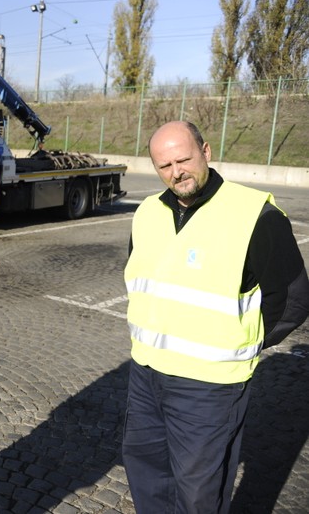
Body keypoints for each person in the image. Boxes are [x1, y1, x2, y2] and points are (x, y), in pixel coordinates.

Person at [122, 120, 309, 513]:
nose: (176, 172)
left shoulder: (255, 214)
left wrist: (240, 343)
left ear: (205, 152)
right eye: (164, 166)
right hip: (145, 376)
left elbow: (291, 301)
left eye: (184, 159)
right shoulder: (146, 213)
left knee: (199, 494)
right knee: (146, 474)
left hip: (209, 387)